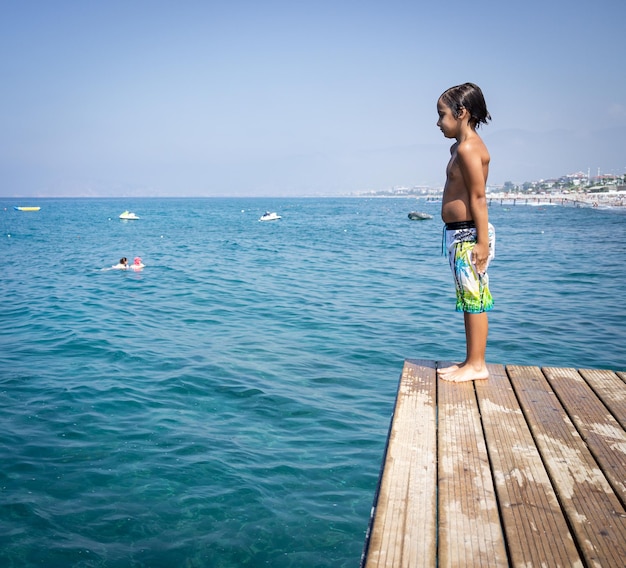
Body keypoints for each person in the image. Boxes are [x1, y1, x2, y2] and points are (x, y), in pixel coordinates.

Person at [436, 83, 495, 382]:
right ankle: (470, 360)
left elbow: (478, 197)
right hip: (458, 234)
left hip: (469, 235)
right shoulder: (460, 147)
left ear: (462, 113)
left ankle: (478, 364)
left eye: (442, 115)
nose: (437, 122)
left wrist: (482, 242)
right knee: (467, 298)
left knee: (475, 299)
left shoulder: (469, 148)